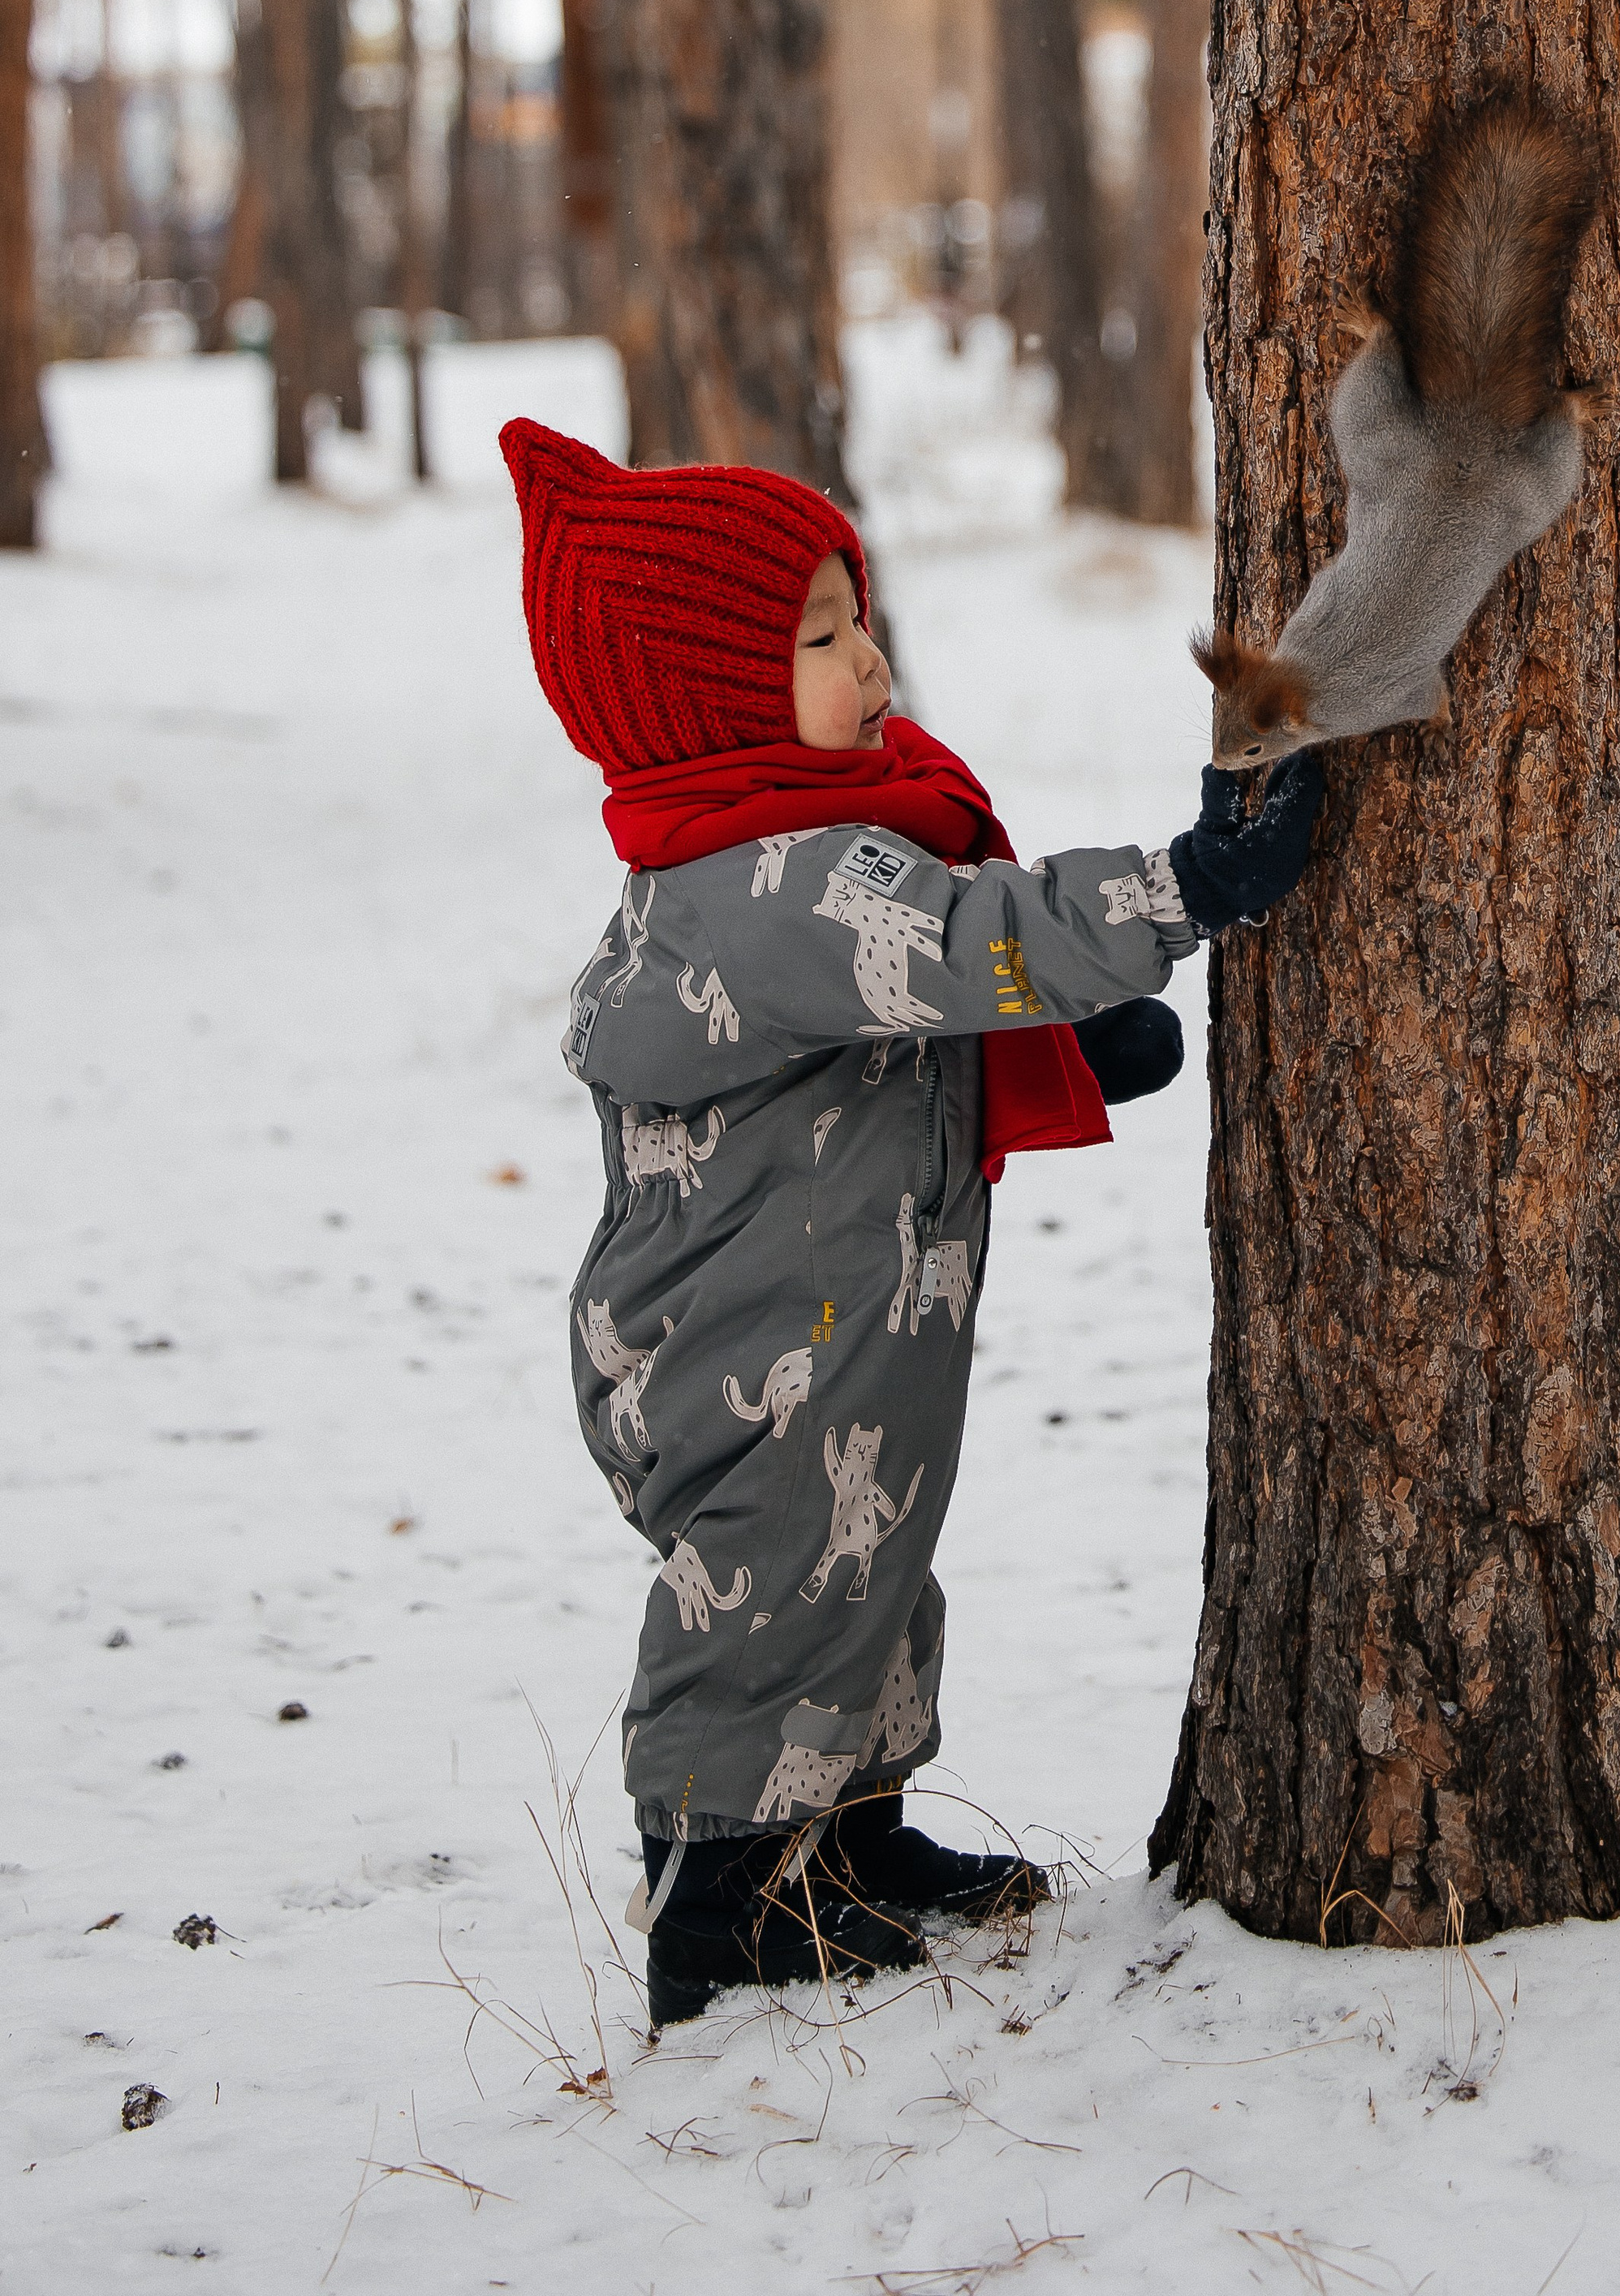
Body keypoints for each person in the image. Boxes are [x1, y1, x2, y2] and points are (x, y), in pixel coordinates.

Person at [499, 420, 1322, 2026]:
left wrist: (1061, 1041)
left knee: (865, 1575)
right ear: (706, 691)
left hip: (842, 1332)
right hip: (749, 1355)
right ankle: (718, 1907)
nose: (869, 659)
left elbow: (901, 1011)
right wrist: (1187, 885)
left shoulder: (784, 856)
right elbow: (952, 939)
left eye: (857, 612)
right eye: (818, 636)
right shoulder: (765, 883)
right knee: (768, 1605)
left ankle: (847, 1844)